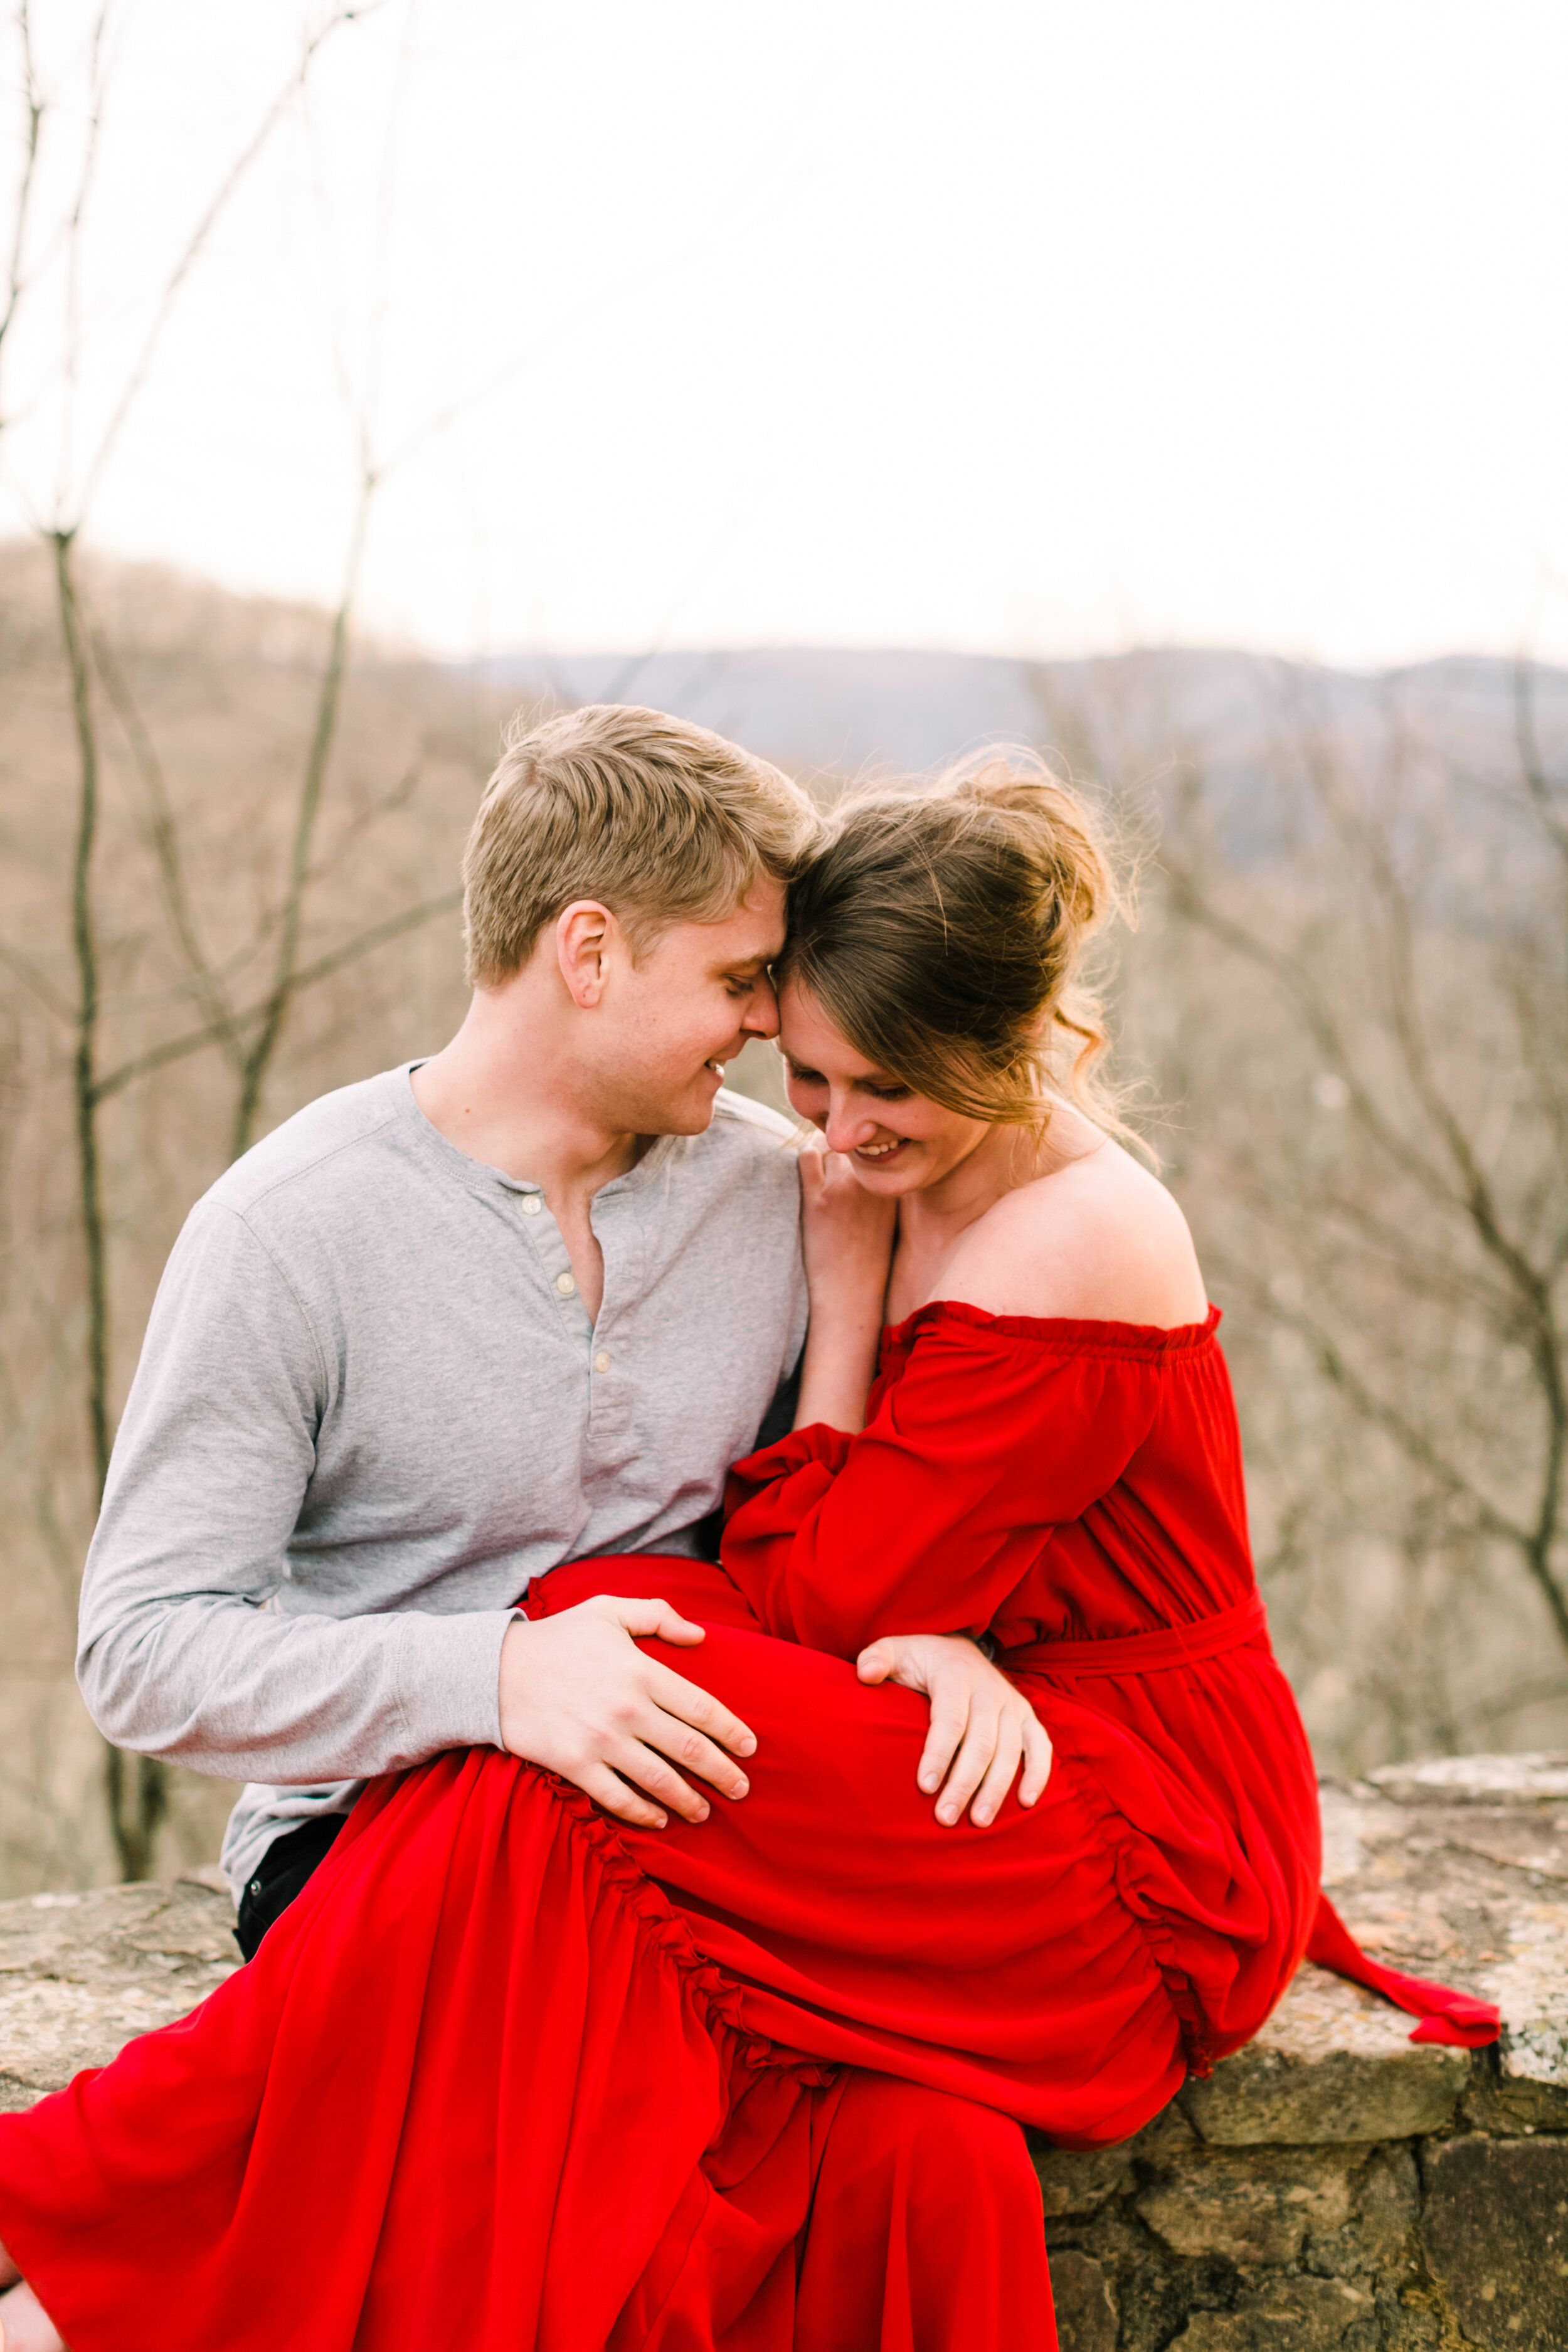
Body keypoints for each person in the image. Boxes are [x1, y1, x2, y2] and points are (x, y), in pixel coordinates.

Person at [0, 744, 1497, 2352]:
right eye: (740, 984)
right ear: (590, 952)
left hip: (735, 1802)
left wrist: (970, 1650)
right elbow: (141, 1655)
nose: (773, 1046)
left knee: (930, 2160)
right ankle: (85, 2261)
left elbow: (926, 1531)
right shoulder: (291, 1232)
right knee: (581, 1706)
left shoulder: (796, 1186)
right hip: (400, 1839)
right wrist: (498, 1677)